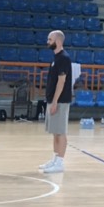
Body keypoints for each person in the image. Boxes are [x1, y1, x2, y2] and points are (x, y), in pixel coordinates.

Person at [40, 30, 72, 173]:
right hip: (53, 99)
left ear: (58, 41)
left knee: (60, 132)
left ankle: (60, 162)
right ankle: (55, 159)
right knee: (55, 131)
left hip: (60, 100)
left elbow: (62, 81)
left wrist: (55, 102)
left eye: (50, 39)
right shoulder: (56, 58)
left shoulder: (63, 58)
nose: (48, 42)